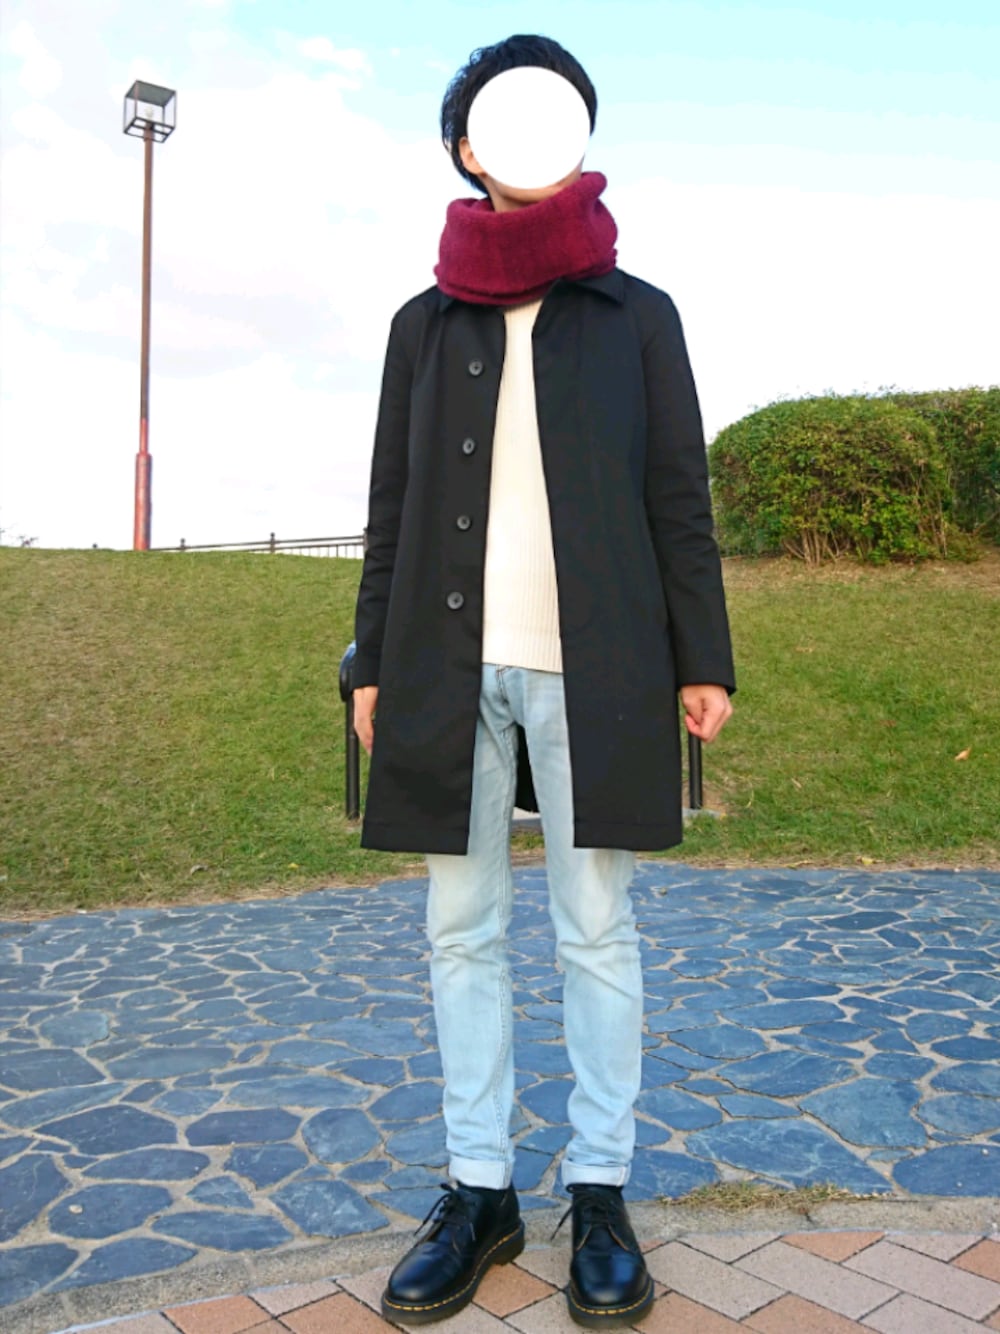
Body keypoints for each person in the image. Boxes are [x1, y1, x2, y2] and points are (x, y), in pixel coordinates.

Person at [352, 33, 735, 1328]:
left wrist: (704, 655)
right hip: (442, 669)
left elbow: (677, 493)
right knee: (459, 929)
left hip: (599, 666)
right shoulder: (423, 325)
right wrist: (369, 661)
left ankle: (602, 1193)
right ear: (467, 146)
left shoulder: (639, 316)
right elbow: (392, 511)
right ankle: (480, 1191)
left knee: (594, 929)